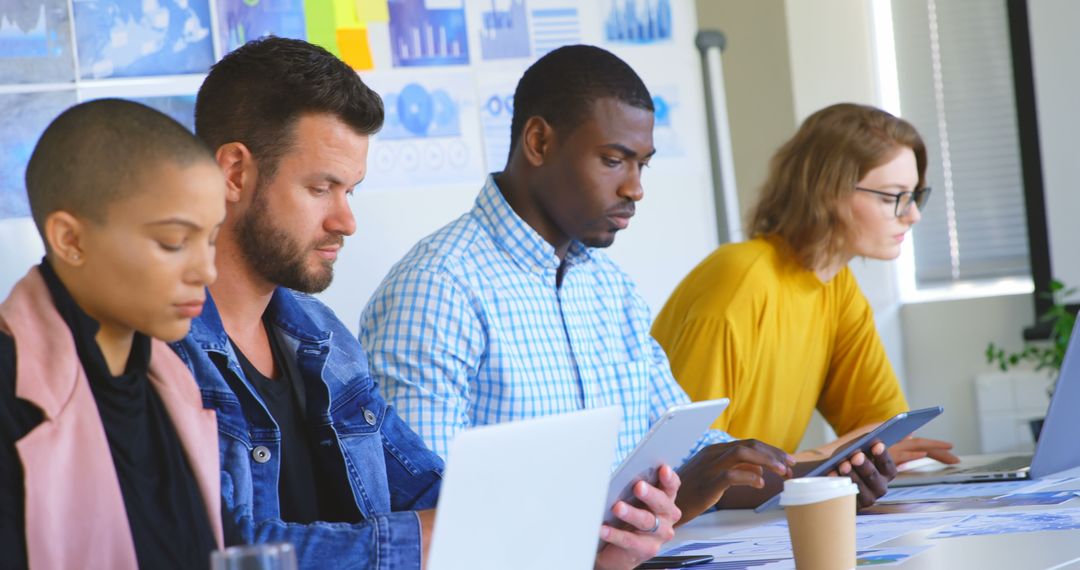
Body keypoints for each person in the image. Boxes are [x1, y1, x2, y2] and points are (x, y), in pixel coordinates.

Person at [172, 37, 673, 570]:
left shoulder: (323, 337)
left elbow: (430, 491)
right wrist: (434, 536)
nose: (347, 221)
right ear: (235, 173)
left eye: (350, 191)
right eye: (321, 188)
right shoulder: (163, 354)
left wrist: (588, 542)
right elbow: (220, 546)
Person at [360, 45, 896, 519]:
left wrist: (817, 482)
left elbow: (688, 454)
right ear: (539, 142)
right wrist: (650, 508)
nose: (635, 188)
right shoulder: (437, 288)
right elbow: (430, 509)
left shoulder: (610, 290)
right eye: (614, 160)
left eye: (643, 165)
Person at [650, 103, 959, 467]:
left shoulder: (837, 286)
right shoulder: (740, 281)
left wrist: (837, 457)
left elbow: (887, 435)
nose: (913, 215)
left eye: (914, 196)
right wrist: (827, 456)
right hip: (697, 502)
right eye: (893, 197)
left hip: (759, 499)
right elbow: (689, 467)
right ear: (828, 192)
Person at [0, 99, 226, 569]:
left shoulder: (176, 382)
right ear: (70, 240)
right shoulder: (10, 394)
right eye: (173, 242)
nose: (206, 271)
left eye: (211, 240)